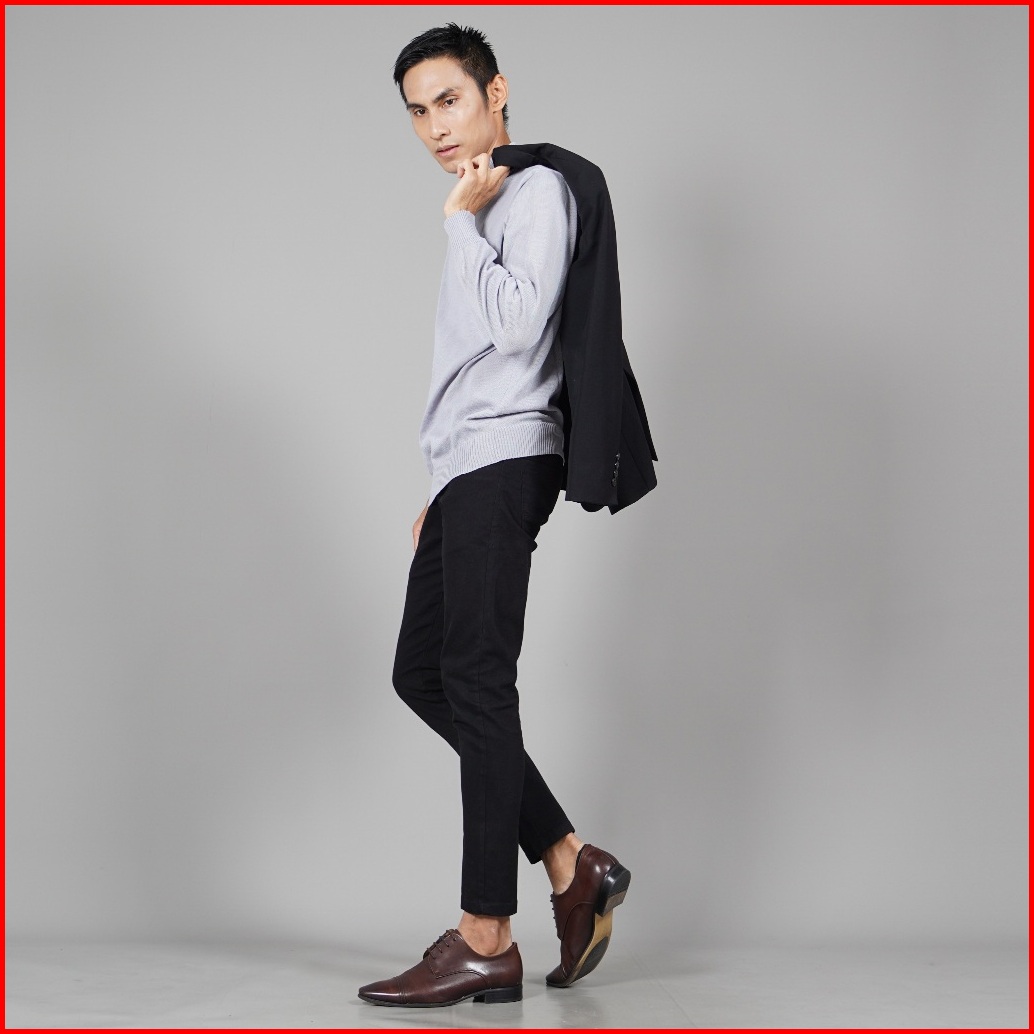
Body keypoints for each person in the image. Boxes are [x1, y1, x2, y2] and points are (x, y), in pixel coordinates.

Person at [357, 23, 638, 1009]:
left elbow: (518, 330)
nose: (436, 126)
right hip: (469, 469)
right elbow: (476, 368)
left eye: (450, 100)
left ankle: (485, 935)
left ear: (496, 92)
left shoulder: (533, 193)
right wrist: (443, 483)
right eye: (418, 111)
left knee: (476, 679)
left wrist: (457, 225)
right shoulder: (488, 202)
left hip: (507, 460)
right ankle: (569, 859)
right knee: (423, 673)